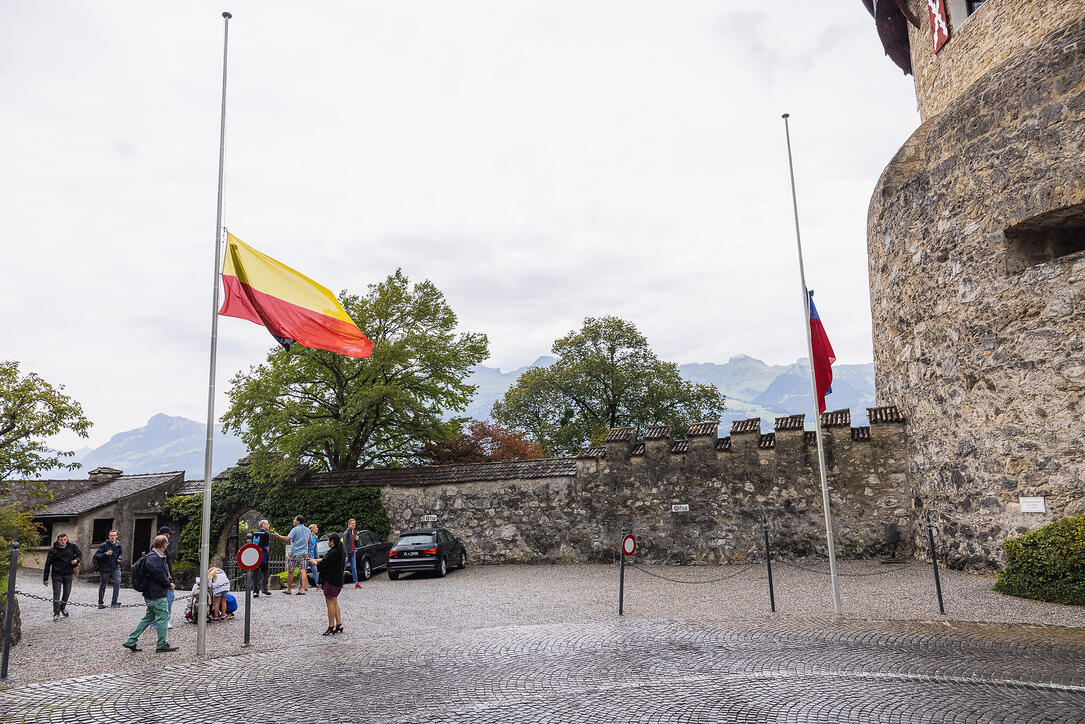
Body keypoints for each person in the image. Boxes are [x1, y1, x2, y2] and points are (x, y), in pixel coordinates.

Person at [122, 535, 177, 652]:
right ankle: (162, 644)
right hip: (156, 593)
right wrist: (168, 584)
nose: (167, 546)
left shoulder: (155, 556)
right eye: (166, 544)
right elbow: (158, 575)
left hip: (151, 593)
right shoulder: (154, 558)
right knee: (163, 617)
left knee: (148, 618)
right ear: (164, 545)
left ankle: (130, 641)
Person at [310, 532, 344, 635]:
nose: (327, 542)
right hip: (338, 579)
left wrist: (314, 562)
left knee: (329, 603)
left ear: (332, 542)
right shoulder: (340, 551)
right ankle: (339, 624)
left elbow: (323, 564)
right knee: (335, 602)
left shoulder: (332, 552)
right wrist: (316, 559)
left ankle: (331, 626)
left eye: (328, 540)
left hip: (331, 580)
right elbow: (327, 560)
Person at [42, 533, 82, 621]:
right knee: (57, 594)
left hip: (68, 573)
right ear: (58, 540)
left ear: (67, 539)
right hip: (57, 574)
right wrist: (45, 578)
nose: (63, 542)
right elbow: (48, 564)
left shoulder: (72, 546)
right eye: (61, 540)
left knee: (67, 592)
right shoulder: (53, 550)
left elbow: (79, 555)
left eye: (65, 540)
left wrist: (76, 560)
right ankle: (56, 613)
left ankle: (62, 608)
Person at [272, 515, 310, 595]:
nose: (293, 520)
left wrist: (278, 536)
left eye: (295, 519)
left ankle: (289, 589)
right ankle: (302, 589)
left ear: (298, 521)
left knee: (290, 572)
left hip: (294, 554)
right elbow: (309, 541)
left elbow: (287, 539)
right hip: (303, 554)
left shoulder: (295, 530)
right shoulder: (308, 530)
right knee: (303, 571)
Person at [148, 525, 175, 630]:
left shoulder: (158, 549)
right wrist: (167, 577)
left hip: (163, 577)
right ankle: (164, 621)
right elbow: (158, 565)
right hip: (163, 578)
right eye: (168, 535)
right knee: (168, 598)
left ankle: (154, 623)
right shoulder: (156, 550)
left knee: (157, 602)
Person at [93, 529, 123, 609]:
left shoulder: (118, 544)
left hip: (115, 567)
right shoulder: (104, 545)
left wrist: (119, 558)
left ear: (117, 536)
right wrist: (105, 554)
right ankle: (100, 603)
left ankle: (114, 602)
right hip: (105, 568)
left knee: (117, 583)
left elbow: (120, 553)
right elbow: (96, 556)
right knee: (103, 585)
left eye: (114, 535)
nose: (112, 537)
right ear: (109, 536)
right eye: (111, 535)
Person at [251, 519, 272, 596]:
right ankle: (264, 588)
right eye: (267, 524)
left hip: (255, 556)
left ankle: (255, 591)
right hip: (263, 556)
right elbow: (267, 547)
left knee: (255, 574)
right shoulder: (265, 534)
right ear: (263, 525)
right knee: (265, 572)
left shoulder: (254, 533)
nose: (269, 525)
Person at [343, 518, 361, 588]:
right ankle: (340, 583)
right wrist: (346, 555)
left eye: (354, 524)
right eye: (352, 524)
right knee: (343, 568)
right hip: (347, 553)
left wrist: (357, 540)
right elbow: (345, 544)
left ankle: (356, 583)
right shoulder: (346, 532)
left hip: (352, 552)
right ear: (349, 524)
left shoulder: (355, 532)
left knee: (353, 567)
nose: (353, 525)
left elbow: (355, 544)